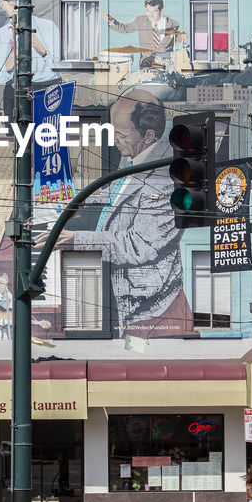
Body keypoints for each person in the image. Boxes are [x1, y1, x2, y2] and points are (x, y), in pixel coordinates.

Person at [50, 90, 187, 335]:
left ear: (149, 136)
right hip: (133, 300)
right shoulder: (134, 155)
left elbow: (139, 244)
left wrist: (76, 240)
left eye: (121, 134)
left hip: (152, 311)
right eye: (112, 131)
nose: (114, 140)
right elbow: (119, 196)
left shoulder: (164, 177)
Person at [0, 0, 61, 105]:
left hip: (47, 90)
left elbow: (61, 67)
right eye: (12, 0)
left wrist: (41, 49)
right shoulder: (1, 34)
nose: (18, 3)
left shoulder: (48, 27)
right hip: (14, 90)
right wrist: (13, 57)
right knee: (13, 125)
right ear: (2, 4)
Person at [104, 0, 181, 69]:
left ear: (161, 11)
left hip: (165, 66)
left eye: (154, 11)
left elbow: (180, 39)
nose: (150, 15)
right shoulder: (140, 21)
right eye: (148, 11)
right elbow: (125, 28)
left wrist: (183, 38)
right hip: (146, 65)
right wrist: (112, 21)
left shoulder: (171, 24)